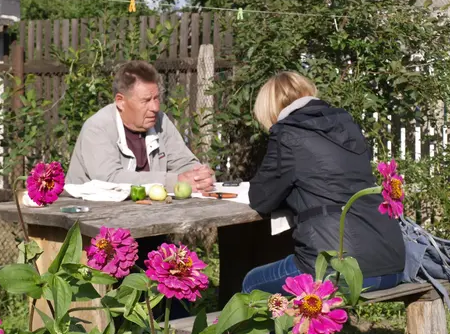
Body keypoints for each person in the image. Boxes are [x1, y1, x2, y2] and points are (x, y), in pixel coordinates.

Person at [242, 71, 405, 295]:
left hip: (339, 269)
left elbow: (261, 198)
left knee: (252, 283)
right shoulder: (347, 124)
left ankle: (275, 331)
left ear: (270, 109)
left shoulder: (287, 134)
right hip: (392, 263)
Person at [66, 60, 214, 193]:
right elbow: (110, 180)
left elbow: (184, 162)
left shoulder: (160, 121)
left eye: (156, 98)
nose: (155, 107)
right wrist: (173, 182)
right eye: (146, 100)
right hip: (92, 214)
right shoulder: (97, 128)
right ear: (120, 101)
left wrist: (199, 177)